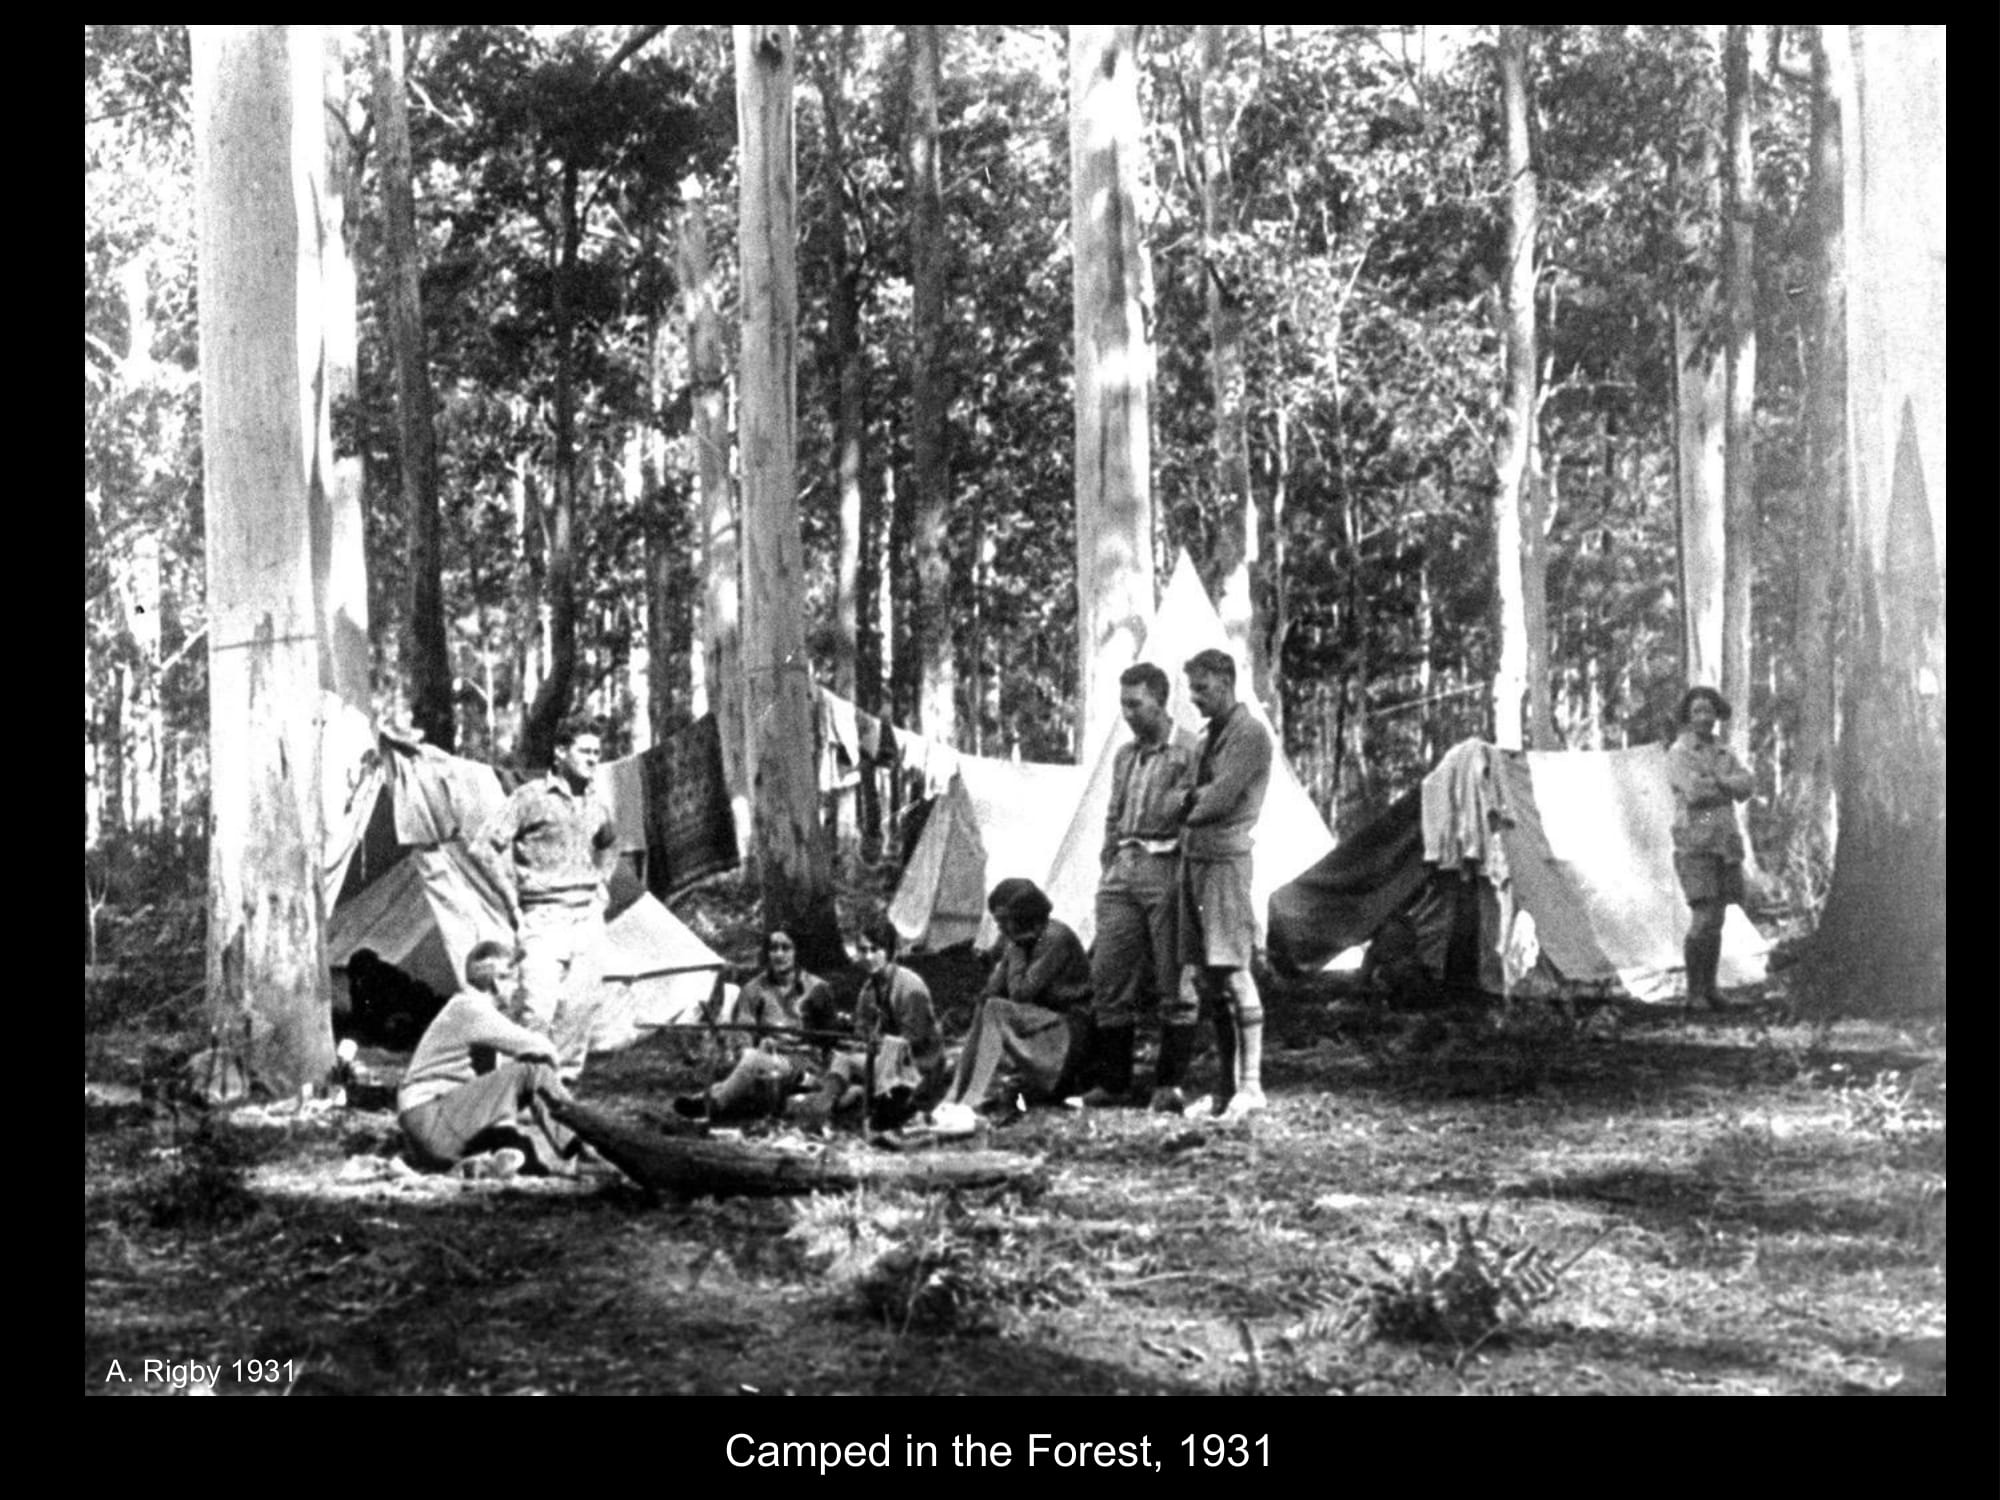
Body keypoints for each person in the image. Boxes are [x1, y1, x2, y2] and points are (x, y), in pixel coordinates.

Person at [1082, 663, 1203, 1111]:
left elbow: (1200, 814)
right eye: (1124, 705)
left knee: (1176, 979)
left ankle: (1168, 1085)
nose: (1129, 713)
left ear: (1160, 700)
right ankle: (1114, 1083)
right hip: (1122, 870)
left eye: (1136, 704)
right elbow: (1113, 814)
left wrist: (1185, 874)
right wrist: (1109, 860)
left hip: (1167, 865)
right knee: (1109, 976)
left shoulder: (1190, 751)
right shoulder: (1124, 756)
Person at [473, 719, 617, 1083]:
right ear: (560, 752)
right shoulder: (531, 797)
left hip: (587, 919)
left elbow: (610, 843)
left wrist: (602, 884)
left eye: (597, 753)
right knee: (537, 1008)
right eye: (585, 751)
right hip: (543, 916)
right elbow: (485, 846)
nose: (592, 760)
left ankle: (560, 1089)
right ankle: (516, 1089)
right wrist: (511, 901)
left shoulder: (596, 804)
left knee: (579, 1008)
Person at [1179, 648, 1273, 1122]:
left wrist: (1180, 804)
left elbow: (1217, 800)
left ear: (1227, 682)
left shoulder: (1250, 734)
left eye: (1203, 688)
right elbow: (1190, 795)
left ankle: (1251, 1086)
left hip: (1227, 861)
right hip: (1195, 860)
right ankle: (1223, 1089)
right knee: (1206, 976)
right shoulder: (1205, 741)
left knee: (1233, 968)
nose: (1195, 699)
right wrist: (1187, 800)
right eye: (1192, 689)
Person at [396, 940, 580, 1178]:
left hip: (430, 1127)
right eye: (512, 978)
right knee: (531, 1072)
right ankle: (583, 1146)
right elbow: (542, 1048)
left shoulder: (465, 1008)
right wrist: (552, 1078)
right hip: (431, 1117)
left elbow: (496, 1093)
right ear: (496, 980)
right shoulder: (472, 1009)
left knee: (510, 1101)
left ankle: (488, 1161)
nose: (517, 987)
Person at [944, 879, 1094, 1118]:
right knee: (987, 1006)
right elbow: (990, 993)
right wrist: (1005, 956)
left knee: (995, 1008)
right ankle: (954, 1094)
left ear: (1023, 916)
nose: (1000, 927)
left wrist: (1013, 951)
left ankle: (972, 1099)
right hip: (1042, 1027)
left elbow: (1021, 993)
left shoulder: (1053, 937)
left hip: (1068, 1035)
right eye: (997, 920)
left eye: (1004, 920)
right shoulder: (1020, 941)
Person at [674, 928, 841, 1122]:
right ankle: (710, 1099)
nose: (779, 954)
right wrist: (750, 1048)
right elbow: (744, 1031)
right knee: (751, 1060)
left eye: (786, 948)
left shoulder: (818, 988)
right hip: (766, 1059)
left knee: (752, 1063)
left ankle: (713, 1104)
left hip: (805, 1064)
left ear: (797, 952)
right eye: (773, 948)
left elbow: (831, 1037)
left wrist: (807, 1046)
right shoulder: (753, 989)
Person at [1665, 686, 1755, 1010]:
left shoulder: (1724, 751)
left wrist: (1719, 782)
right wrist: (1724, 784)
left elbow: (1747, 784)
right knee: (1702, 918)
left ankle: (1711, 987)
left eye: (1709, 711)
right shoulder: (1679, 751)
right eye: (1697, 711)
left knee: (1717, 919)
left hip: (1725, 842)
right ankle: (1694, 992)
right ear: (1688, 717)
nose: (1704, 718)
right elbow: (1694, 792)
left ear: (1717, 715)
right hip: (1696, 842)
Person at [818, 919, 944, 1130]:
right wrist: (849, 1032)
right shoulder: (868, 990)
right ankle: (821, 1106)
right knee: (842, 1058)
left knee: (860, 1067)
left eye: (875, 949)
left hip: (917, 1065)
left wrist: (878, 1043)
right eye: (863, 950)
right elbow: (862, 1031)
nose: (868, 957)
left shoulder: (910, 987)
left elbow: (916, 1039)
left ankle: (859, 1103)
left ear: (890, 952)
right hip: (882, 1059)